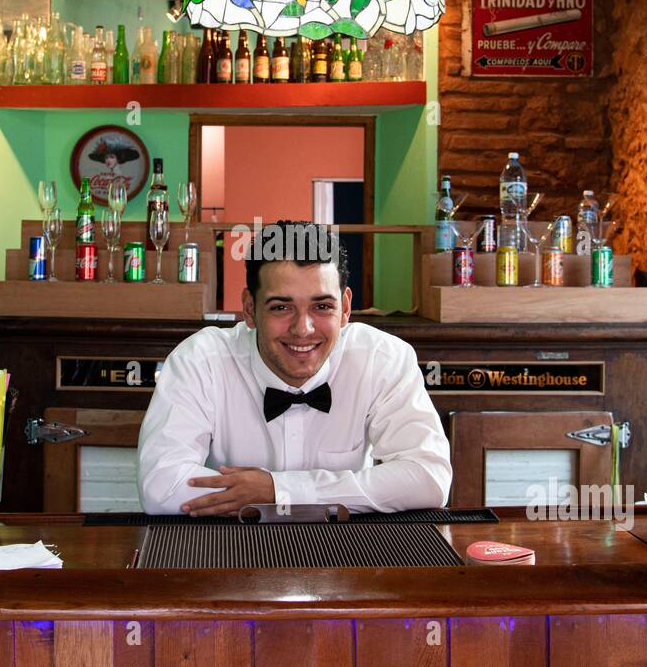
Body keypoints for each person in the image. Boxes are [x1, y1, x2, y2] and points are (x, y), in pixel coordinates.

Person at [137, 220, 452, 516]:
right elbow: (161, 486)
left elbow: (430, 478)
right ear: (249, 309)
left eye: (322, 306)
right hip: (229, 550)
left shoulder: (382, 359)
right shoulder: (200, 360)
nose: (303, 329)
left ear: (345, 308)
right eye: (281, 307)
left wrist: (279, 491)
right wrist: (344, 492)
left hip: (349, 553)